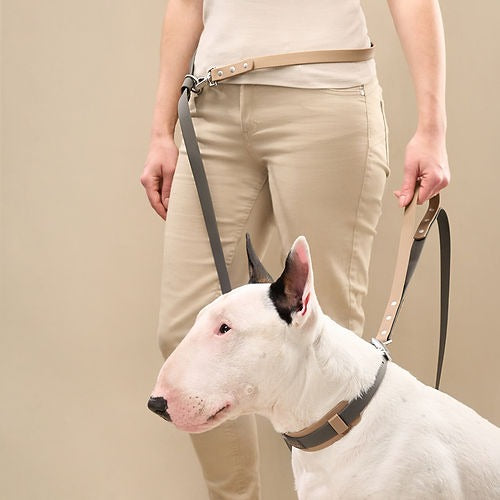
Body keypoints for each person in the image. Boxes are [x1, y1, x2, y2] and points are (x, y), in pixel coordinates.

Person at [141, 0, 450, 498]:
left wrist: (432, 128)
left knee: (326, 341)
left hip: (326, 96)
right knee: (185, 328)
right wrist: (160, 130)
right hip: (212, 107)